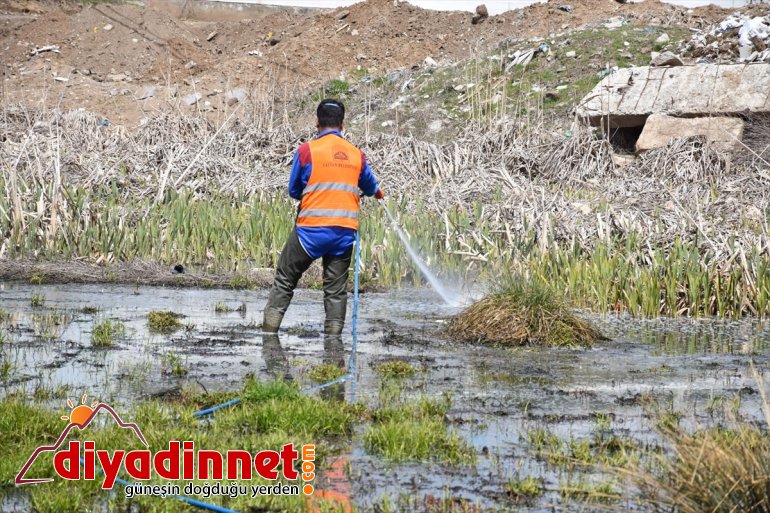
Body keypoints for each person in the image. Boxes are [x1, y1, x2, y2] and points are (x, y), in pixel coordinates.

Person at [262, 99, 384, 336]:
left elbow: (294, 190)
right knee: (336, 291)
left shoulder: (306, 151)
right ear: (342, 124)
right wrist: (377, 192)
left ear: (317, 123)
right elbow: (369, 186)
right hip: (343, 235)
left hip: (310, 232)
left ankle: (268, 335)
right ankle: (334, 346)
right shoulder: (357, 154)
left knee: (285, 279)